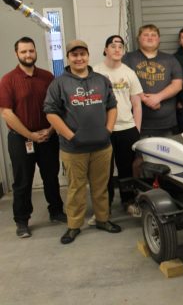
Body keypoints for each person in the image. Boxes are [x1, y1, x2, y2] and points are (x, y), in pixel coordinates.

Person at [44, 40, 121, 244]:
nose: (79, 58)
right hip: (73, 148)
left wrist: (108, 130)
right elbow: (51, 114)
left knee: (101, 186)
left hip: (101, 146)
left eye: (82, 54)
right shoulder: (59, 83)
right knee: (76, 188)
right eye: (74, 55)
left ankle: (103, 220)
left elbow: (112, 107)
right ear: (68, 58)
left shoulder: (101, 80)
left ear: (88, 55)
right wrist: (71, 136)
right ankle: (74, 226)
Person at [0, 37, 66, 238]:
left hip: (48, 136)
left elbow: (58, 107)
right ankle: (22, 221)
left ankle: (56, 211)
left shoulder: (47, 77)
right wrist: (30, 135)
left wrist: (51, 130)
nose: (28, 55)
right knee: (23, 181)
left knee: (51, 176)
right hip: (21, 139)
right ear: (17, 54)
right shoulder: (8, 80)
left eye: (31, 51)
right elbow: (6, 113)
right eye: (23, 52)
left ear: (36, 51)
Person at [93, 35, 143, 218]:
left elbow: (137, 103)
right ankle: (104, 206)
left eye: (120, 46)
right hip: (104, 130)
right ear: (105, 49)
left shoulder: (129, 73)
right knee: (103, 172)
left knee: (126, 170)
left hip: (127, 129)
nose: (116, 49)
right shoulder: (95, 72)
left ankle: (128, 201)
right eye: (112, 46)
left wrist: (136, 130)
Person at [123, 24, 183, 137]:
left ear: (159, 39)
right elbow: (122, 83)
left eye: (153, 35)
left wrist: (158, 97)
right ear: (138, 39)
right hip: (135, 123)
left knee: (165, 154)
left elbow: (177, 85)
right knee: (138, 154)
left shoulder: (170, 59)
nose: (150, 38)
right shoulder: (127, 58)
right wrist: (145, 99)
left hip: (166, 124)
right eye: (146, 35)